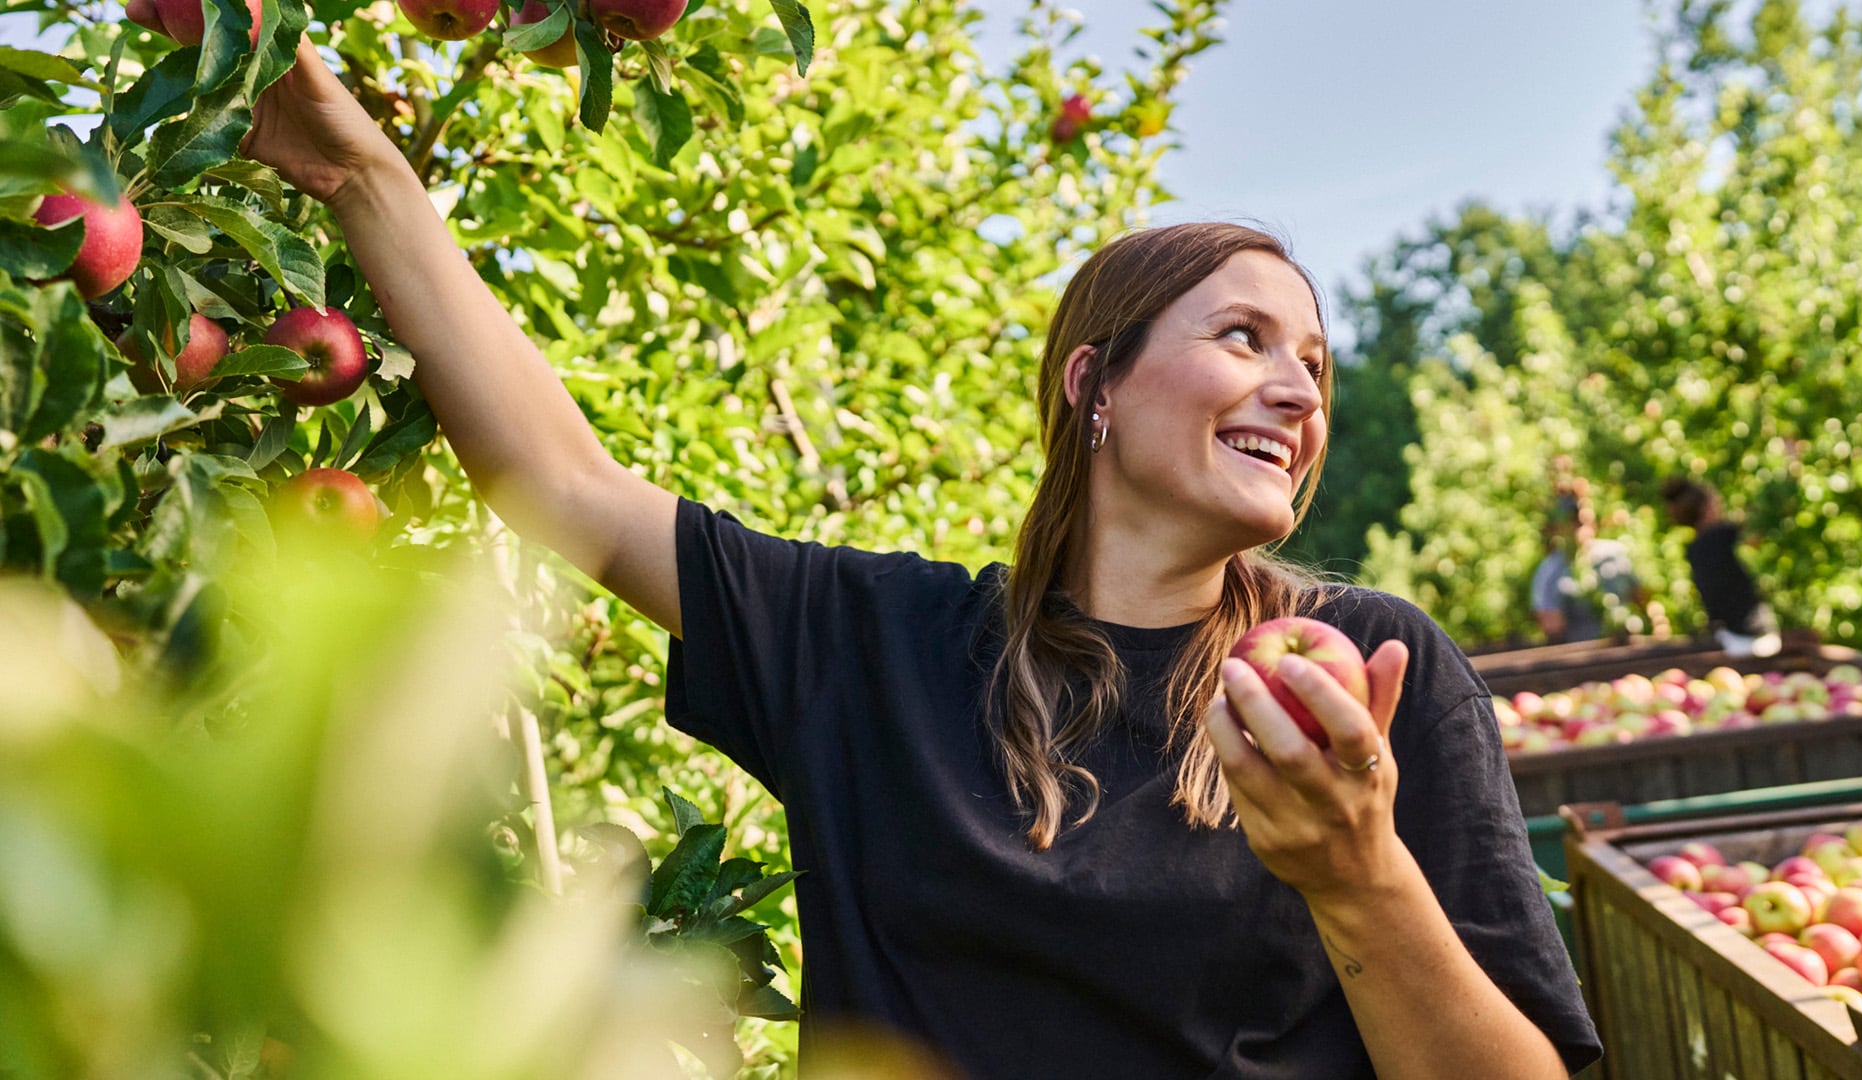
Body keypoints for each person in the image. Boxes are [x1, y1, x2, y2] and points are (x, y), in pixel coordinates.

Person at [243, 41, 1601, 1079]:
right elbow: (566, 487)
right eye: (1242, 337)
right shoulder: (876, 646)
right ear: (1096, 385)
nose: (1299, 390)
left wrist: (1358, 868)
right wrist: (360, 170)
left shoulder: (1374, 675)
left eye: (1314, 362)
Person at [1661, 477, 1781, 657]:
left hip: (1727, 633)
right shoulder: (1720, 536)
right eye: (1716, 501)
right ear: (1706, 509)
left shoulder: (1695, 548)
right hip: (1749, 634)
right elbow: (1757, 527)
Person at [1530, 483, 1644, 645]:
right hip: (1581, 656)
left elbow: (1642, 599)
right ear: (1561, 526)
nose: (1579, 527)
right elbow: (1551, 624)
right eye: (1573, 521)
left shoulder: (1615, 554)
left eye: (1584, 520)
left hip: (1626, 648)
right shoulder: (1551, 570)